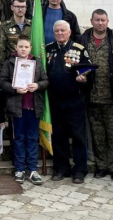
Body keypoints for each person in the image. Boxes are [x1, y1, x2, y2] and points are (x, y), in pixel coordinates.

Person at [77, 9, 113, 181]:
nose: (100, 23)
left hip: (111, 97)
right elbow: (74, 63)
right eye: (97, 20)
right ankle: (101, 166)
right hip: (91, 96)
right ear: (91, 21)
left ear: (107, 21)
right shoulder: (82, 41)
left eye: (103, 20)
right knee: (97, 134)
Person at [0, 36, 49, 185]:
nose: (23, 49)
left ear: (30, 48)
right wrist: (15, 89)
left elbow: (46, 80)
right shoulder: (9, 63)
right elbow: (2, 82)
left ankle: (33, 170)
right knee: (19, 138)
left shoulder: (37, 62)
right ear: (16, 47)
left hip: (34, 107)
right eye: (20, 46)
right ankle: (19, 169)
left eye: (26, 47)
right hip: (17, 108)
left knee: (32, 139)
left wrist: (37, 85)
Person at [46, 20, 90, 184]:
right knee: (58, 136)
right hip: (55, 101)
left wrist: (83, 77)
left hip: (74, 100)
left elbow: (88, 68)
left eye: (62, 30)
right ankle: (61, 168)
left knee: (78, 137)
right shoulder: (48, 49)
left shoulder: (78, 49)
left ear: (69, 32)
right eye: (57, 31)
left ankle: (79, 170)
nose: (60, 33)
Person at [0, 0, 31, 74]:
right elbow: (0, 51)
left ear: (26, 8)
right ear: (12, 7)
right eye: (17, 7)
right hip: (11, 67)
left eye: (23, 7)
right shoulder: (4, 27)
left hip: (30, 67)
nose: (20, 9)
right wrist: (3, 70)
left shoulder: (33, 26)